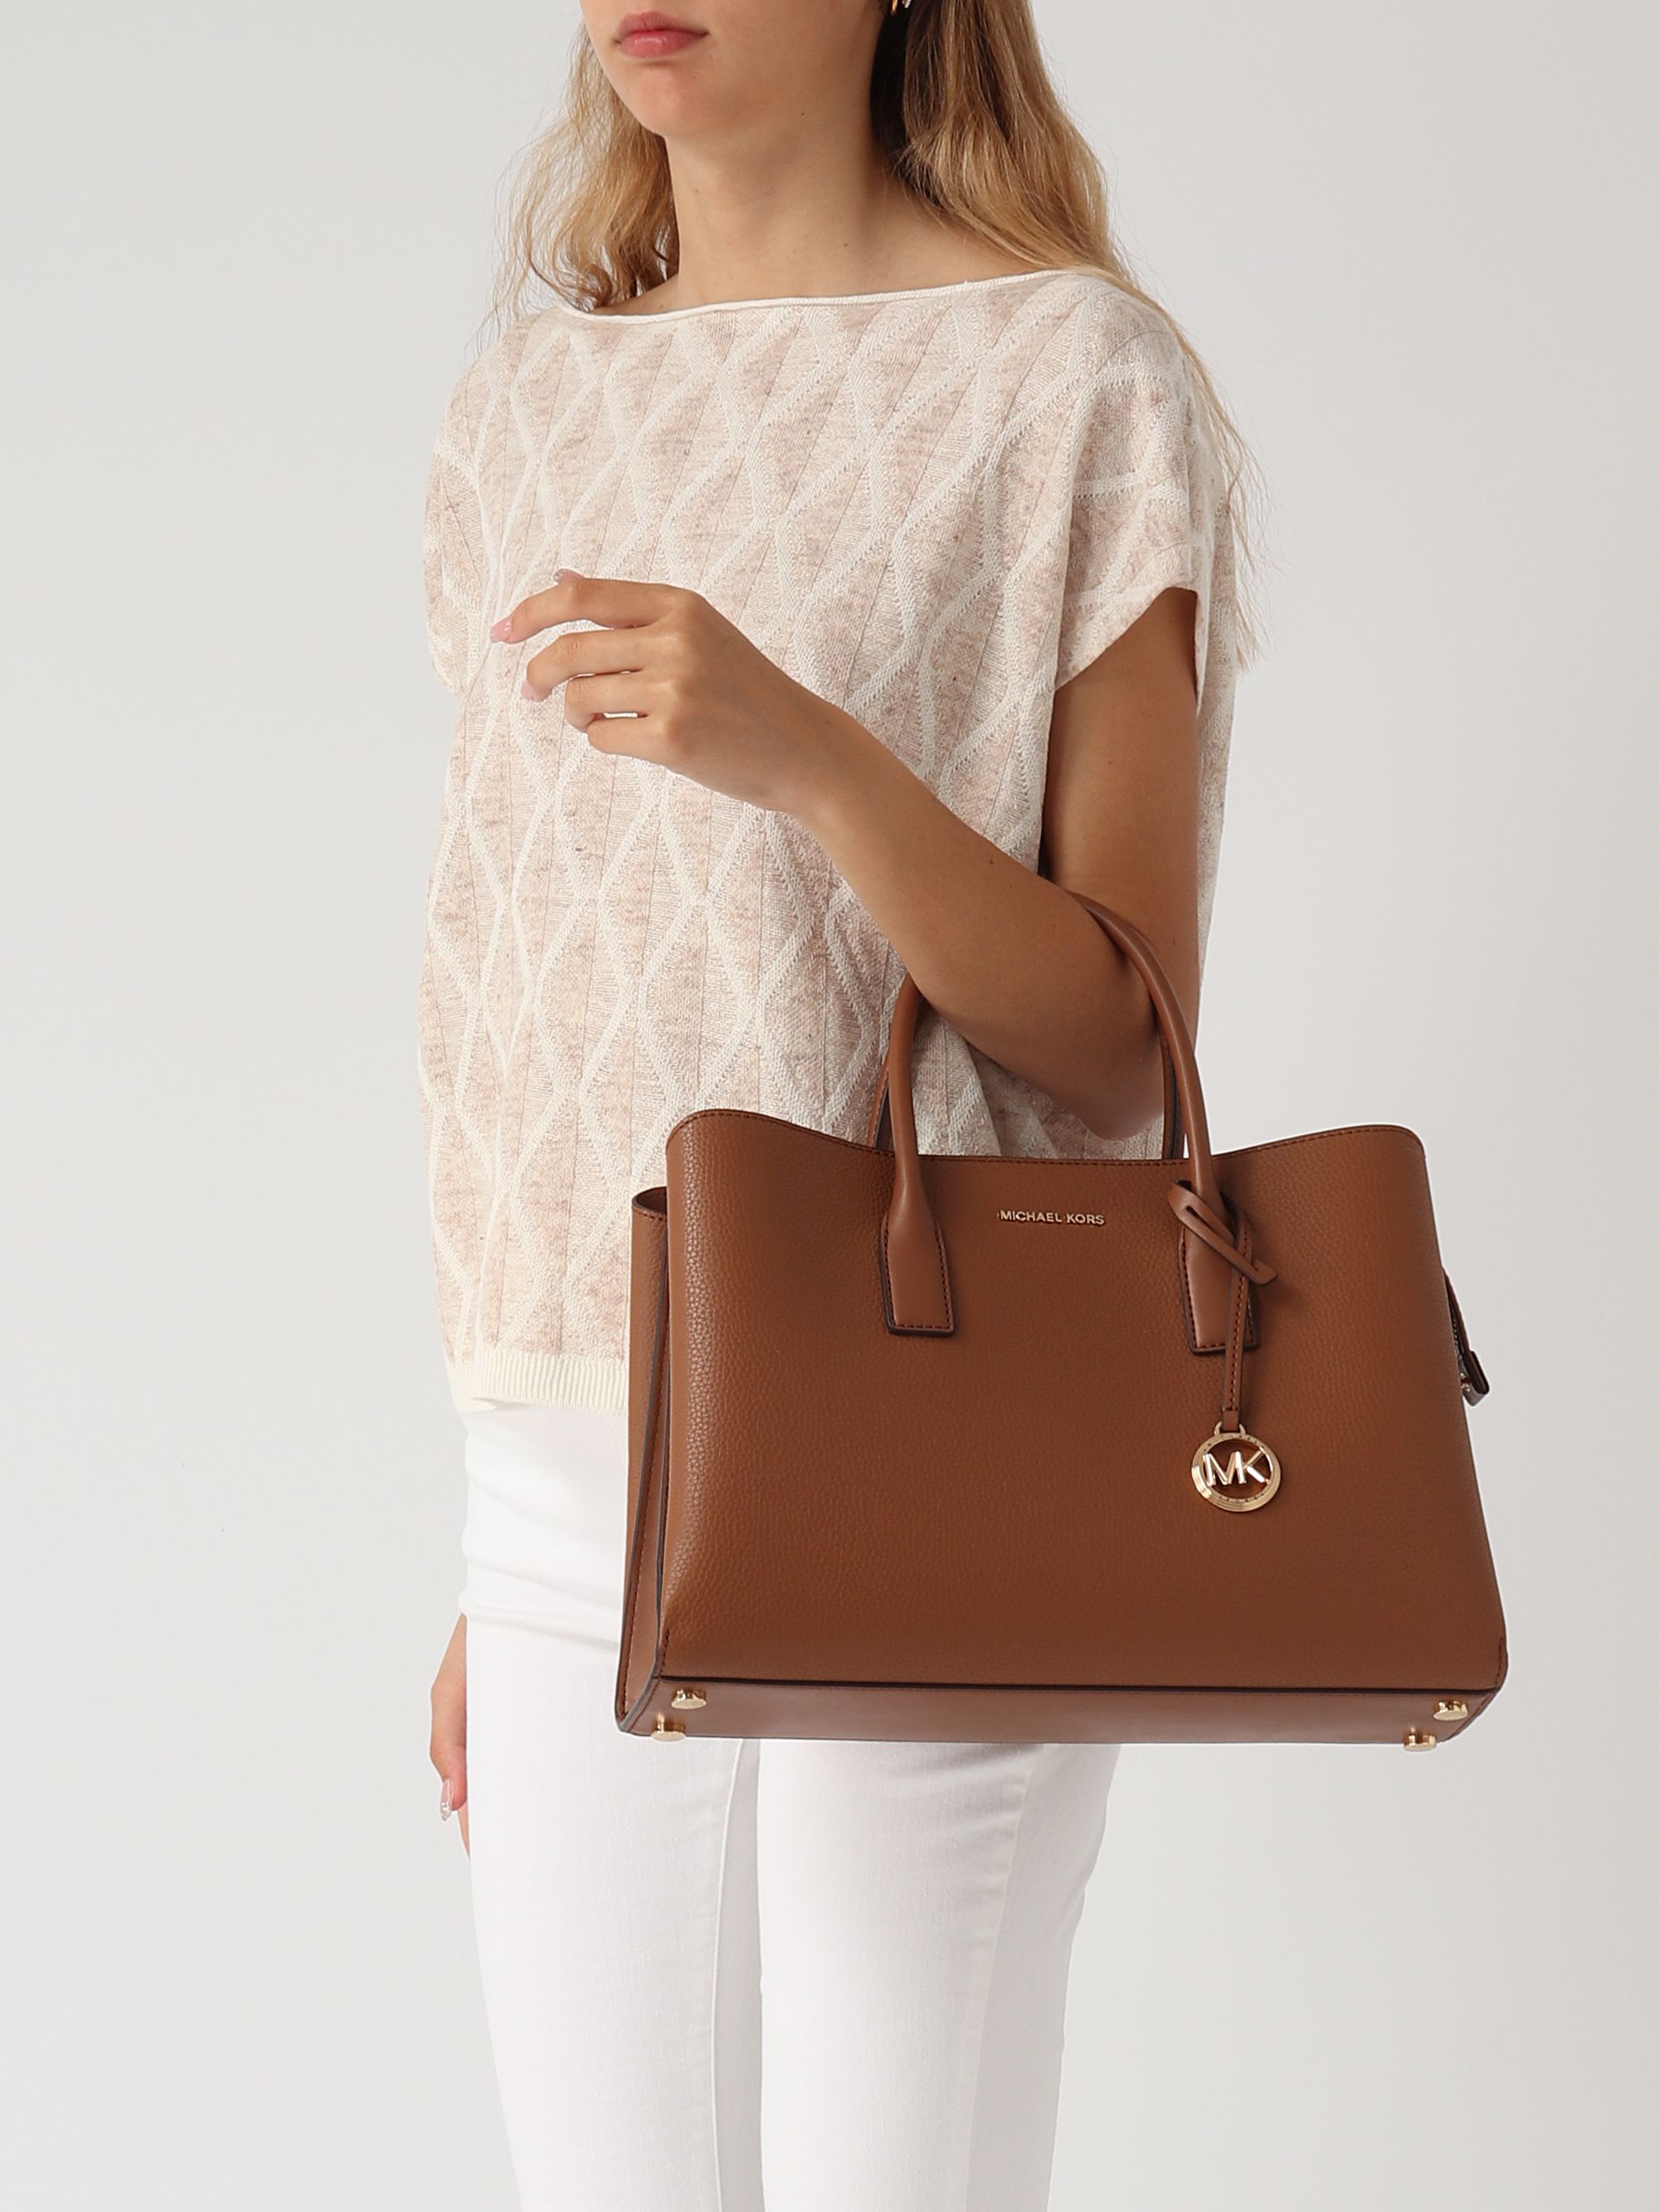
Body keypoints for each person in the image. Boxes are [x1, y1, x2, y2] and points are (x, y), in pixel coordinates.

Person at [421, 3, 1262, 2205]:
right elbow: (548, 994)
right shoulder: (522, 409)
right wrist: (528, 1523)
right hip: (574, 1492)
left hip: (937, 1432)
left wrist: (809, 755)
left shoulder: (1074, 380)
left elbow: (1125, 1035)